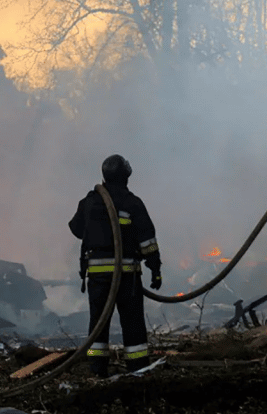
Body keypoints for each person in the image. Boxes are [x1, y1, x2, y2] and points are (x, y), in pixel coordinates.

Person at [68, 154, 163, 376]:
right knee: (132, 323)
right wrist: (155, 269)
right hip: (127, 277)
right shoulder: (132, 203)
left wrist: (96, 232)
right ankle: (138, 368)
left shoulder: (90, 202)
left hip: (98, 277)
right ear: (126, 177)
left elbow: (76, 228)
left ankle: (97, 369)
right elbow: (147, 241)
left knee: (98, 324)